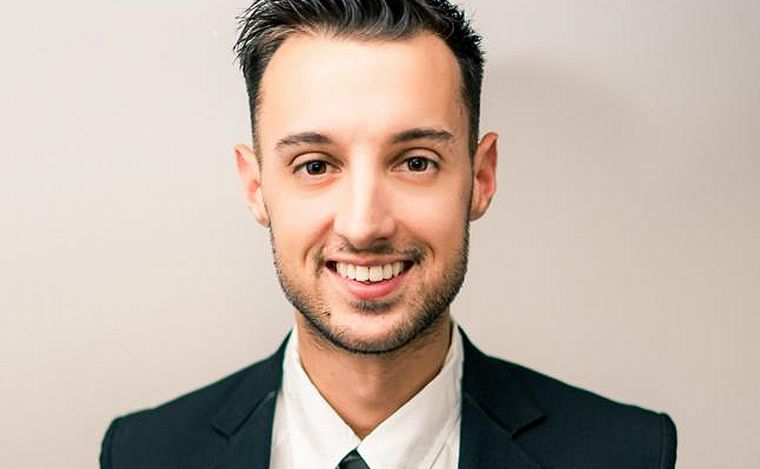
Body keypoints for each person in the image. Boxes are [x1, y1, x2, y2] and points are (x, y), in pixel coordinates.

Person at [99, 1, 677, 468]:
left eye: (416, 162)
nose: (364, 225)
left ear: (481, 177)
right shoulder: (143, 455)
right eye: (315, 165)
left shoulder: (626, 454)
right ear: (256, 187)